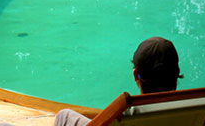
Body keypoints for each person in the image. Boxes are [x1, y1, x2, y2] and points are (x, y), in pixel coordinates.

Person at [54, 36, 184, 126]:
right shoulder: (194, 107)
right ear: (177, 73)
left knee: (64, 116)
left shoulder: (126, 116)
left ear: (135, 75)